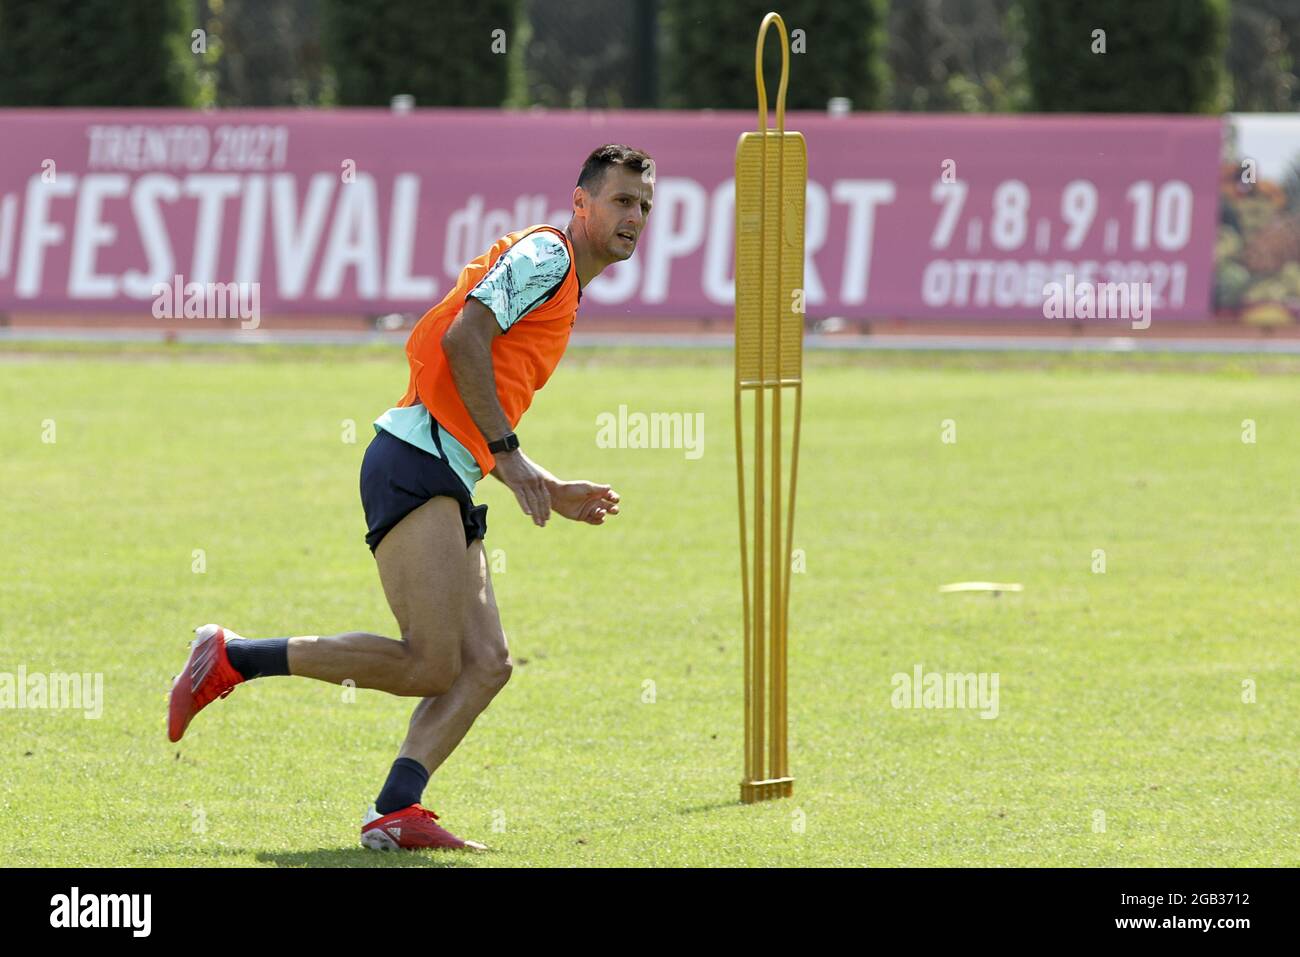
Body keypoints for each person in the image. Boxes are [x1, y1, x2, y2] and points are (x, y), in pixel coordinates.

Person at [167, 144, 655, 851]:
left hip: (442, 465)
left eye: (644, 204)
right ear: (581, 203)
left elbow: (479, 387)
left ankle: (397, 807)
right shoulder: (549, 257)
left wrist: (547, 483)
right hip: (414, 461)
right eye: (620, 200)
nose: (634, 216)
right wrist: (512, 457)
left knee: (486, 663)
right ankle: (233, 655)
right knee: (429, 662)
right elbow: (465, 338)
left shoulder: (565, 280)